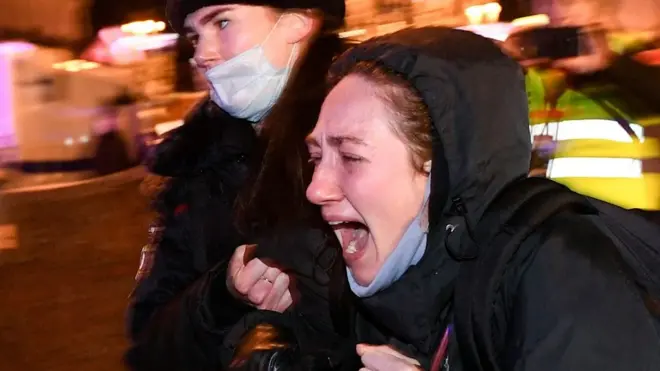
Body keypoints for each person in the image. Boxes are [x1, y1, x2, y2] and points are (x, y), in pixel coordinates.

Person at [305, 26, 660, 370]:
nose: (315, 189)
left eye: (351, 157)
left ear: (441, 168)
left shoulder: (563, 276)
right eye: (316, 158)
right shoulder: (388, 289)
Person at [125, 1, 356, 370]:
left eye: (222, 22)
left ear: (296, 23)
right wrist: (221, 295)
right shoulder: (196, 166)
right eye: (194, 36)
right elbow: (150, 344)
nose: (201, 54)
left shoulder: (372, 139)